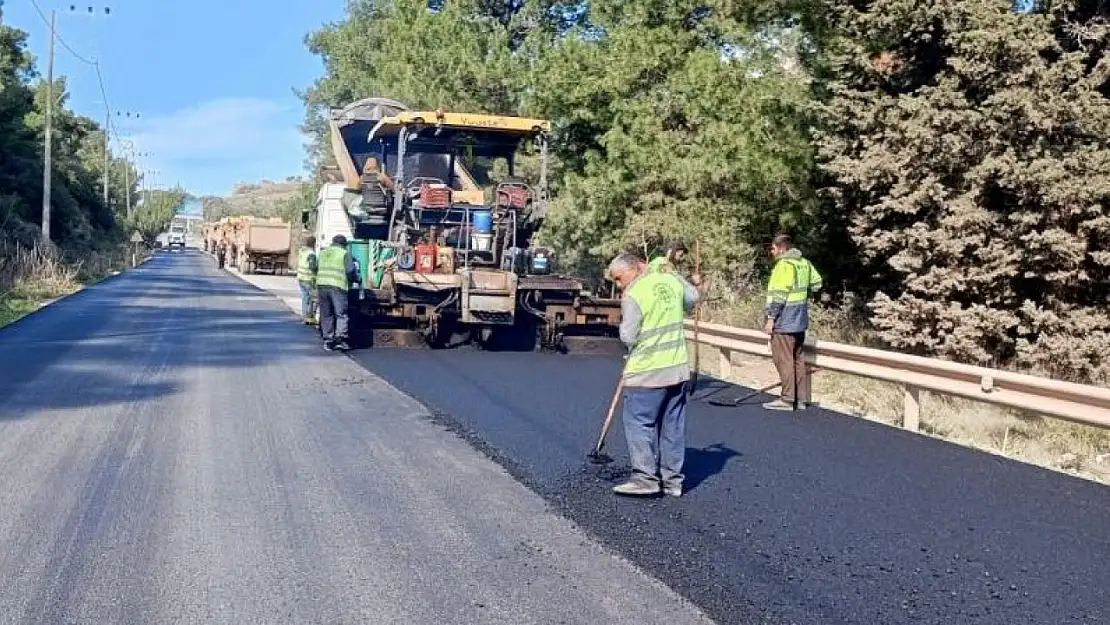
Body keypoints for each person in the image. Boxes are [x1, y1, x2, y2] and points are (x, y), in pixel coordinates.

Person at [606, 251, 699, 498]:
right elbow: (693, 298)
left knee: (639, 422)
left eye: (619, 278)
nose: (619, 285)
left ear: (636, 267)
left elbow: (628, 336)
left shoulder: (635, 293)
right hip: (677, 368)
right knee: (673, 426)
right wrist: (676, 274)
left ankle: (645, 478)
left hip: (647, 371)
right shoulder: (670, 280)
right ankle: (673, 482)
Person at [762, 233, 823, 411]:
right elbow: (817, 284)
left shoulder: (784, 266)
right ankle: (801, 399)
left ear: (781, 248)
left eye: (772, 249)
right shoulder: (804, 263)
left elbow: (779, 295)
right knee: (797, 359)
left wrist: (771, 319)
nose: (771, 252)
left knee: (784, 359)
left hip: (784, 320)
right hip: (800, 320)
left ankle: (787, 399)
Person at [315, 234, 360, 351]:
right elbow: (350, 270)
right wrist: (356, 279)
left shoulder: (323, 252)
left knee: (326, 313)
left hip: (322, 285)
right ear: (344, 245)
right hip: (337, 286)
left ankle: (328, 339)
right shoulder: (344, 253)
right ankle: (340, 339)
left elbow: (315, 267)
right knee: (341, 313)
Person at [295, 235, 319, 325]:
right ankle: (310, 318)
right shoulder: (311, 254)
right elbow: (312, 266)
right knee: (313, 299)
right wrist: (318, 269)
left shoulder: (302, 251)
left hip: (301, 277)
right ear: (314, 243)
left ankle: (305, 317)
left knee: (305, 298)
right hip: (309, 279)